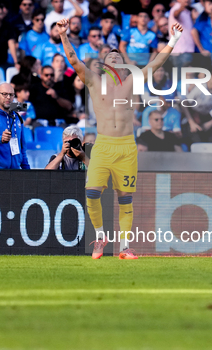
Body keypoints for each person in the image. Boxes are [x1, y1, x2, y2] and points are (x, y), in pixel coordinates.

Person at [59, 17, 184, 259]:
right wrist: (64, 35)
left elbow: (155, 64)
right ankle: (100, 236)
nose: (115, 57)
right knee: (92, 193)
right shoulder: (93, 81)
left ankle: (124, 248)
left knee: (125, 198)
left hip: (126, 146)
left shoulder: (131, 81)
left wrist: (174, 39)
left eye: (118, 56)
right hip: (104, 145)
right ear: (103, 63)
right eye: (110, 56)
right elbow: (73, 59)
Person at [0, 82, 30, 169]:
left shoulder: (18, 117)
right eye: (4, 94)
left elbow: (22, 148)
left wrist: (27, 169)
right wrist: (0, 139)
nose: (8, 97)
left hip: (15, 171)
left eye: (11, 95)